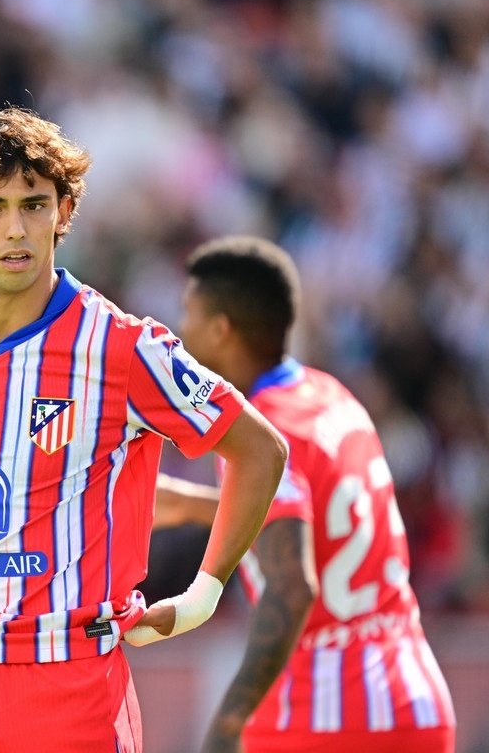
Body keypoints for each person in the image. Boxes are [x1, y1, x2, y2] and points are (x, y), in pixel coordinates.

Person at [0, 106, 288, 753]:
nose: (15, 228)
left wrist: (204, 593)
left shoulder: (120, 346)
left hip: (66, 684)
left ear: (63, 214)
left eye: (34, 205)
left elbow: (260, 449)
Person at [154, 236, 456, 753]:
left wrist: (229, 722)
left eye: (189, 316)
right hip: (414, 696)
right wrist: (187, 504)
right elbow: (318, 522)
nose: (180, 336)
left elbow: (294, 585)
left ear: (222, 331)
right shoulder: (333, 396)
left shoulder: (257, 439)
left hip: (326, 713)